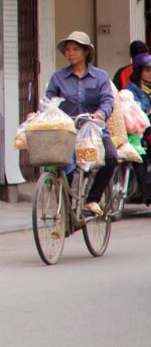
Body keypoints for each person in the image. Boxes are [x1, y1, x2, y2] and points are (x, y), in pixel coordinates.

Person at [46, 31, 116, 217]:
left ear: (85, 52)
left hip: (93, 129)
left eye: (75, 49)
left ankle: (92, 199)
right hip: (67, 131)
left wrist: (100, 114)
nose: (71, 53)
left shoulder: (100, 77)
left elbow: (108, 101)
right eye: (68, 50)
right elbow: (49, 101)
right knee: (63, 166)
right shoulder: (58, 77)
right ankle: (67, 210)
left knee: (110, 157)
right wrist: (43, 113)